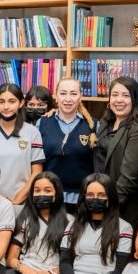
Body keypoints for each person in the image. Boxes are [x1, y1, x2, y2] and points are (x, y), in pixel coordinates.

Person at [28, 173, 133, 274]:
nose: (94, 199)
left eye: (101, 195)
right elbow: (65, 261)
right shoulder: (74, 224)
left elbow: (120, 271)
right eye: (90, 195)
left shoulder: (124, 228)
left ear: (111, 197)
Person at [0, 83, 45, 204]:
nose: (6, 106)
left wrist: (17, 200)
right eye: (1, 101)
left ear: (21, 103)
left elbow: (36, 172)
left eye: (11, 101)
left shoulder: (32, 132)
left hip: (21, 202)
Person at [93, 76, 138, 225]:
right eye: (114, 95)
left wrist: (109, 206)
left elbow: (129, 177)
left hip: (122, 207)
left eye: (125, 95)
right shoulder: (105, 123)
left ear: (135, 99)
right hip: (98, 200)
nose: (118, 100)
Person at [38, 78, 97, 215]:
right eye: (63, 93)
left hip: (82, 199)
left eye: (73, 94)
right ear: (56, 96)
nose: (68, 99)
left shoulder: (93, 125)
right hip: (49, 196)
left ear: (80, 97)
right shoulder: (42, 123)